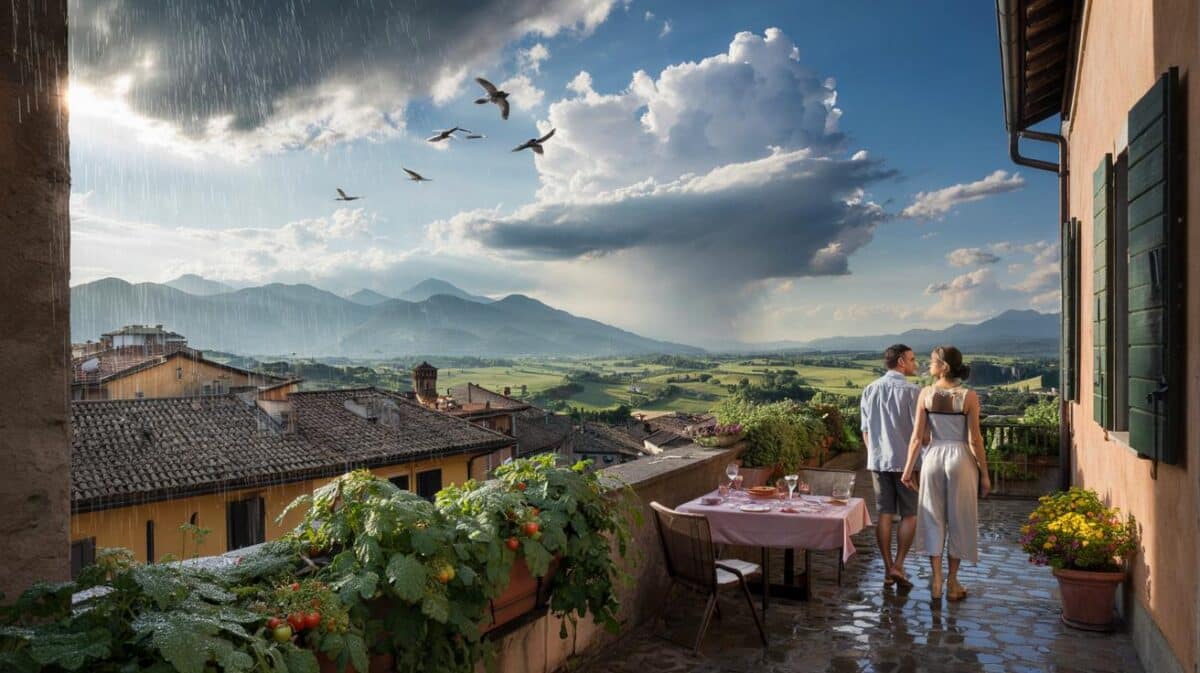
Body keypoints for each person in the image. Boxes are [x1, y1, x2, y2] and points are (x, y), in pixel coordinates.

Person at [900, 345, 990, 601]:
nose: (928, 365)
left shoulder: (925, 394)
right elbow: (975, 440)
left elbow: (916, 438)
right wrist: (984, 474)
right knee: (959, 521)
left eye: (932, 361)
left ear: (943, 366)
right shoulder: (968, 396)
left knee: (932, 519)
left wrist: (907, 470)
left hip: (933, 458)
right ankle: (953, 583)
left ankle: (936, 578)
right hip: (960, 459)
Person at [860, 343, 921, 588]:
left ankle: (888, 570)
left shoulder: (869, 390)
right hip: (907, 464)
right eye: (913, 359)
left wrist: (874, 454)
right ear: (901, 362)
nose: (916, 364)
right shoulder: (913, 391)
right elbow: (920, 433)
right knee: (910, 514)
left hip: (878, 461)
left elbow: (865, 431)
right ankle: (898, 564)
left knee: (884, 515)